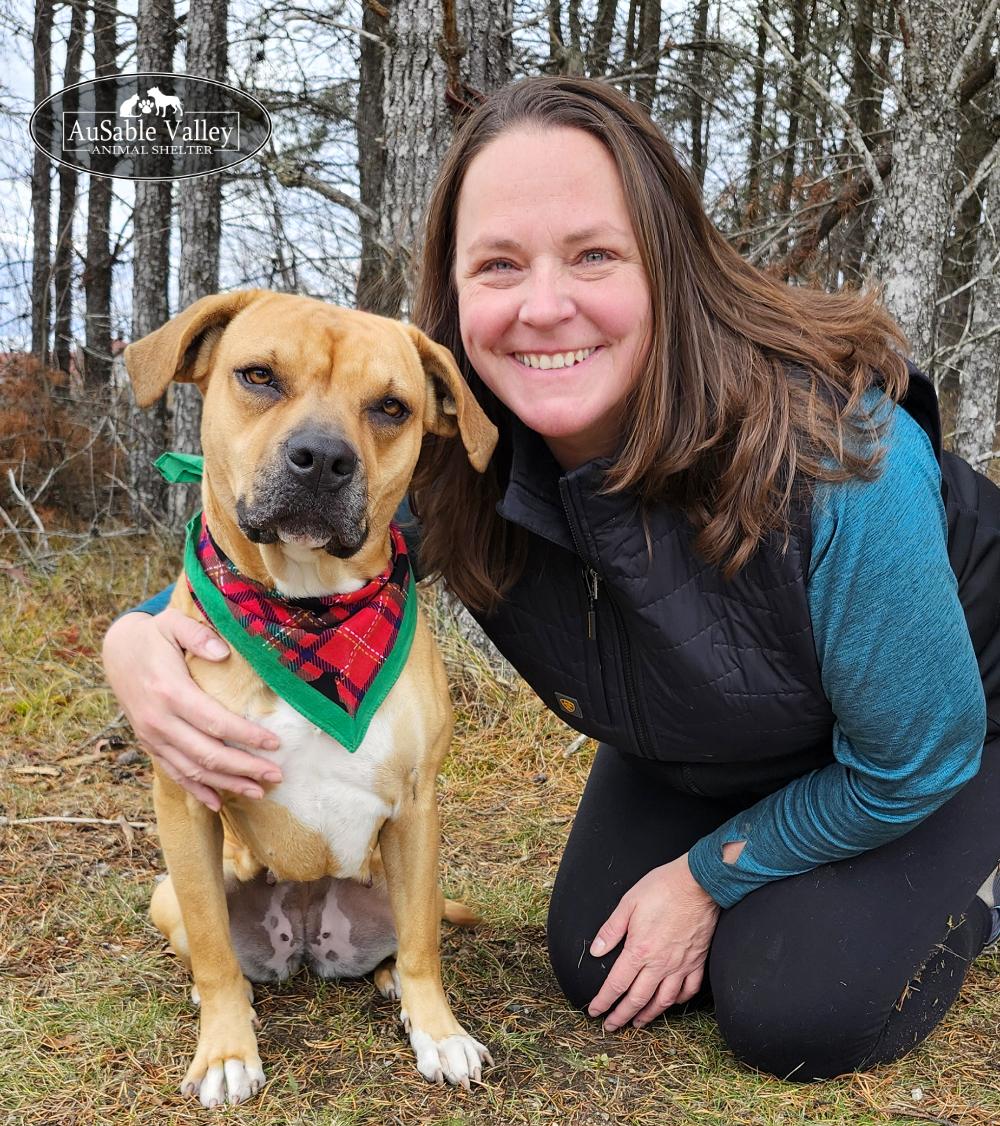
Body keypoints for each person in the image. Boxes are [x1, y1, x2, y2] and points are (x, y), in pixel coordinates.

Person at [103, 77, 1000, 1082]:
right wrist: (136, 640)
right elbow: (294, 549)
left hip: (940, 739)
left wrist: (704, 878)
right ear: (453, 289)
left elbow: (913, 756)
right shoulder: (446, 443)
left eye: (593, 255)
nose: (542, 306)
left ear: (670, 265)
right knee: (592, 961)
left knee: (795, 1002)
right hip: (728, 734)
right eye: (498, 263)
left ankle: (979, 874)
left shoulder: (839, 460)